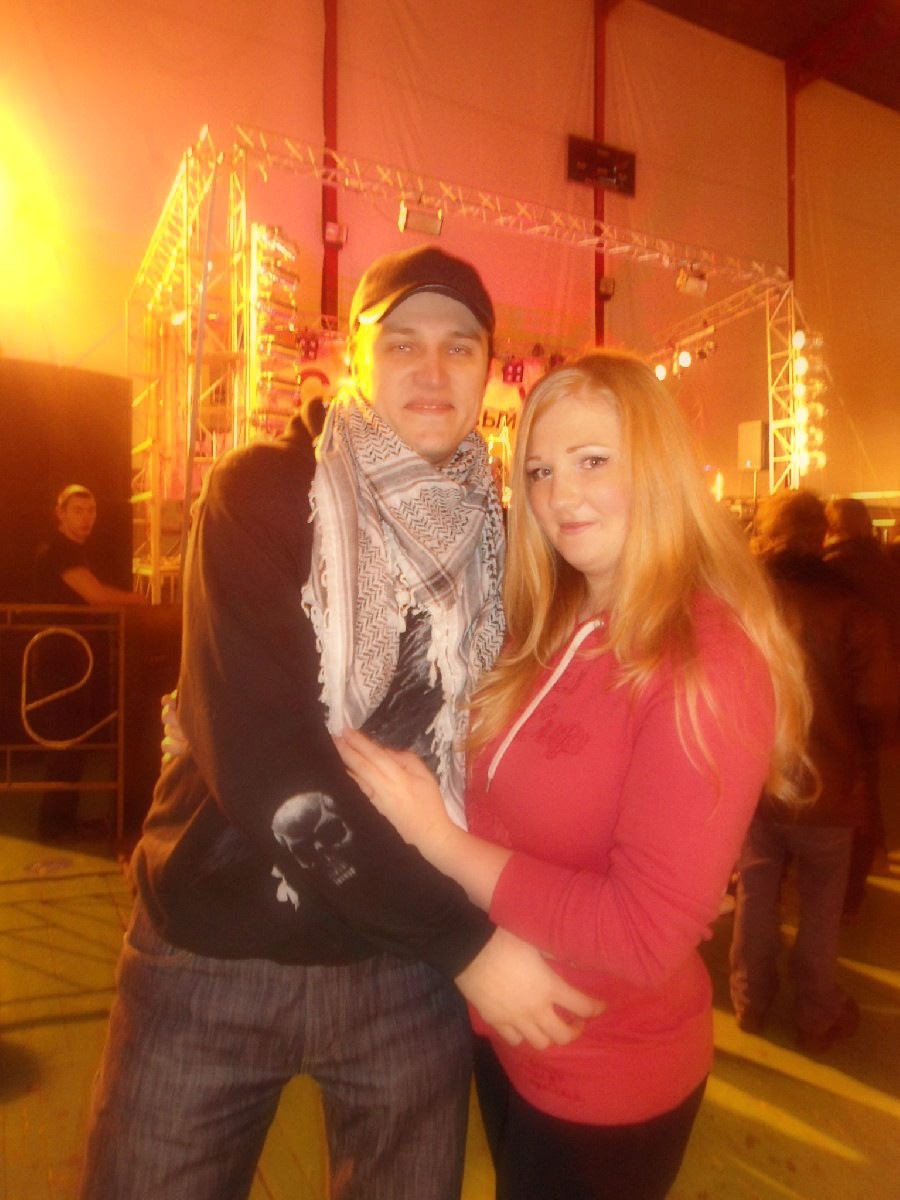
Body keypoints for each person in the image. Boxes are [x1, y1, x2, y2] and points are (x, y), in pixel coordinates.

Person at [78, 245, 598, 1200]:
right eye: (401, 343)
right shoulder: (266, 492)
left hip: (401, 970)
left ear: (489, 369)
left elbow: (562, 709)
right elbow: (266, 760)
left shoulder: (501, 533)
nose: (432, 369)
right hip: (220, 953)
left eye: (459, 346)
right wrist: (470, 947)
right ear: (353, 358)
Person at [334, 349, 813, 1200]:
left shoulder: (706, 656)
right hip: (503, 1031)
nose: (560, 497)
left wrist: (437, 839)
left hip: (608, 1071)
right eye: (542, 471)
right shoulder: (549, 622)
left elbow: (643, 934)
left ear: (658, 468)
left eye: (593, 461)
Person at [730, 491, 896, 1053]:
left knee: (756, 890)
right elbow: (878, 702)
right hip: (829, 780)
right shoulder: (850, 606)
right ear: (821, 535)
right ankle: (817, 1012)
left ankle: (750, 998)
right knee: (822, 902)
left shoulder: (743, 601)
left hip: (757, 777)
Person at [30, 484, 145, 840]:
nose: (86, 518)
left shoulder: (67, 549)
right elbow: (96, 595)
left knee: (70, 743)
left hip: (67, 658)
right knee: (65, 743)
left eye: (91, 510)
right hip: (58, 659)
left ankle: (60, 822)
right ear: (60, 513)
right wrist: (141, 602)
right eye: (78, 511)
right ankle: (54, 826)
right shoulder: (61, 550)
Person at [824, 496, 900, 899]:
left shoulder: (831, 574)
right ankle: (873, 855)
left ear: (832, 529)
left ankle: (852, 874)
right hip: (885, 689)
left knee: (847, 782)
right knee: (869, 776)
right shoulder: (890, 571)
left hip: (844, 692)